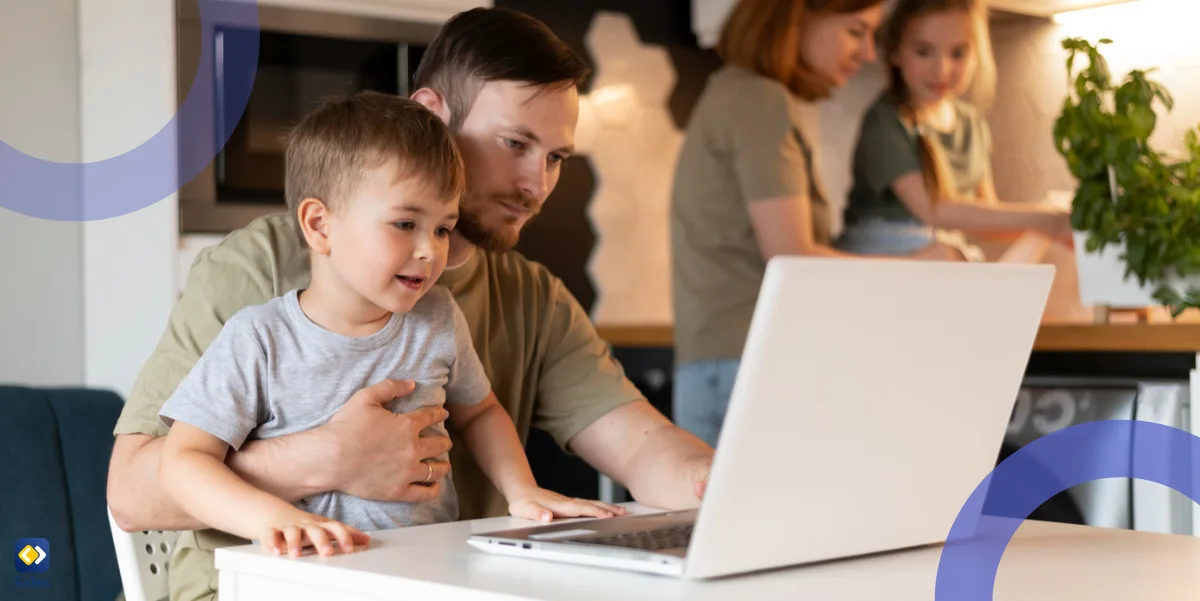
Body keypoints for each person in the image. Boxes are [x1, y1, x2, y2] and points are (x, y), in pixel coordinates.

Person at [107, 8, 714, 601]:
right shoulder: (259, 267)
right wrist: (328, 458)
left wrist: (719, 484)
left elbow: (639, 445)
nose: (538, 184)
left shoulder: (526, 297)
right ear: (433, 116)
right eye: (515, 143)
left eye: (555, 156)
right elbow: (133, 495)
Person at [156, 92, 624, 560]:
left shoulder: (438, 317)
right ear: (319, 225)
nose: (431, 251)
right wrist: (268, 518)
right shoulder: (257, 338)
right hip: (301, 579)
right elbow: (183, 462)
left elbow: (480, 412)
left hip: (423, 570)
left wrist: (522, 490)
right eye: (405, 224)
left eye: (443, 228)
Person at [668, 0, 960, 448]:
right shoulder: (757, 98)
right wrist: (919, 265)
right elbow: (794, 258)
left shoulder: (737, 92)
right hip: (742, 367)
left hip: (729, 367)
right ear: (797, 16)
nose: (867, 53)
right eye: (855, 31)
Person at [833, 0, 1071, 259]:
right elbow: (931, 210)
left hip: (940, 251)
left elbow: (987, 219)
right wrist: (1044, 220)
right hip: (876, 256)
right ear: (895, 52)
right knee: (949, 257)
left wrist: (1051, 225)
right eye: (923, 52)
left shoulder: (972, 125)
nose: (942, 70)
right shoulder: (886, 122)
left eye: (958, 53)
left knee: (962, 260)